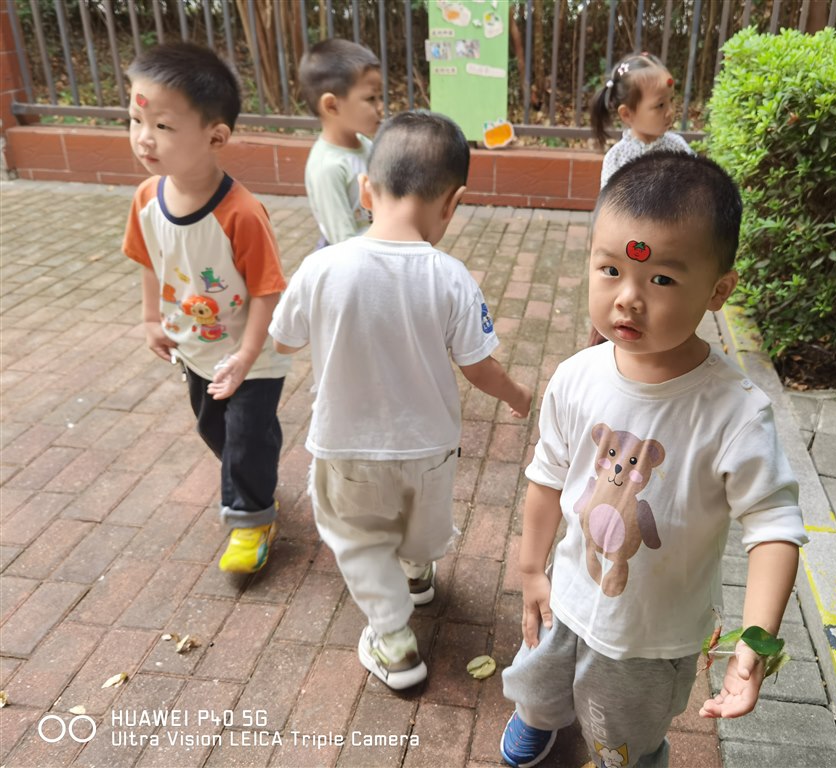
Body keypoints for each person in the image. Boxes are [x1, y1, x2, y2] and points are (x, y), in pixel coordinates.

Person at [498, 151, 808, 768]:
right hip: (567, 595)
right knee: (538, 680)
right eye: (610, 270)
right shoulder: (576, 377)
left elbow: (774, 527)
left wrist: (756, 643)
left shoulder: (734, 413)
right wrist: (532, 569)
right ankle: (538, 717)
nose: (628, 299)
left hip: (649, 639)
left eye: (661, 279)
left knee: (623, 737)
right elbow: (547, 477)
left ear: (718, 290)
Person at [269, 111, 533, 691]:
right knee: (421, 520)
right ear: (453, 203)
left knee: (360, 538)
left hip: (348, 448)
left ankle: (393, 640)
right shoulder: (452, 276)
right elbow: (478, 366)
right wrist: (518, 395)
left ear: (366, 190)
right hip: (430, 447)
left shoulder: (322, 267)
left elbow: (284, 338)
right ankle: (415, 571)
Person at [122, 42, 290, 574]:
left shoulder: (241, 213)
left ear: (216, 137)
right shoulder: (147, 199)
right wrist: (151, 318)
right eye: (135, 121)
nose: (144, 138)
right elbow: (148, 259)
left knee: (243, 436)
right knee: (214, 431)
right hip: (196, 349)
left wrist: (247, 354)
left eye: (163, 126)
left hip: (252, 356)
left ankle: (252, 520)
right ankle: (255, 468)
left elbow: (266, 290)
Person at [298, 38, 383, 247]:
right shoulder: (328, 167)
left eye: (380, 97)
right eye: (371, 99)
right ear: (332, 106)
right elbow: (342, 242)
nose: (381, 107)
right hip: (350, 258)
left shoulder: (365, 144)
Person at [590, 52, 693, 189]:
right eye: (660, 105)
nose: (670, 111)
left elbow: (695, 186)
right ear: (627, 114)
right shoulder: (617, 158)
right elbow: (610, 201)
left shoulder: (678, 148)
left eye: (672, 100)